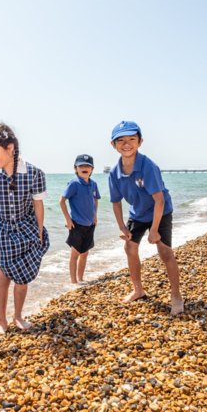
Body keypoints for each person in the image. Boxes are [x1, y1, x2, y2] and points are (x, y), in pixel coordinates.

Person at [0, 123, 49, 333]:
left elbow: (38, 205)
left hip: (27, 230)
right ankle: (2, 320)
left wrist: (38, 233)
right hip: (1, 231)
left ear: (10, 148)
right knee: (3, 276)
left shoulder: (34, 173)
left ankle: (17, 315)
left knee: (23, 278)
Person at [107, 121, 184, 315]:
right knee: (129, 247)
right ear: (113, 144)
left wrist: (155, 230)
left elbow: (159, 201)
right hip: (138, 213)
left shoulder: (148, 166)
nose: (127, 144)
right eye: (121, 140)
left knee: (165, 253)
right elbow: (116, 202)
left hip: (161, 211)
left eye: (132, 139)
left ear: (140, 142)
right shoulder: (114, 173)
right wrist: (122, 227)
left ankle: (176, 296)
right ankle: (138, 290)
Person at [59, 154, 101, 284]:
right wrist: (68, 220)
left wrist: (95, 215)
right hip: (76, 224)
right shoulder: (74, 184)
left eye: (87, 166)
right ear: (75, 168)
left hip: (90, 224)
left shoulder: (93, 184)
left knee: (85, 253)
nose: (84, 168)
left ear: (92, 169)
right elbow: (62, 201)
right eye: (81, 165)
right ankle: (73, 282)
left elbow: (95, 200)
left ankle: (81, 279)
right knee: (75, 253)